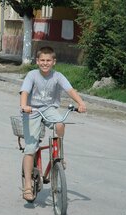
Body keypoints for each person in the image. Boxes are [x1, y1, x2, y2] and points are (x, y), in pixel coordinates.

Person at [19, 46, 86, 201]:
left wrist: (81, 103)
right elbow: (25, 92)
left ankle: (59, 156)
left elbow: (70, 90)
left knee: (60, 123)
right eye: (42, 60)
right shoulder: (32, 75)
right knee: (30, 147)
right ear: (37, 61)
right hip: (32, 111)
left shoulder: (58, 76)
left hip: (49, 109)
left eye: (48, 60)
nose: (45, 63)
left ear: (54, 62)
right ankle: (28, 186)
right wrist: (24, 106)